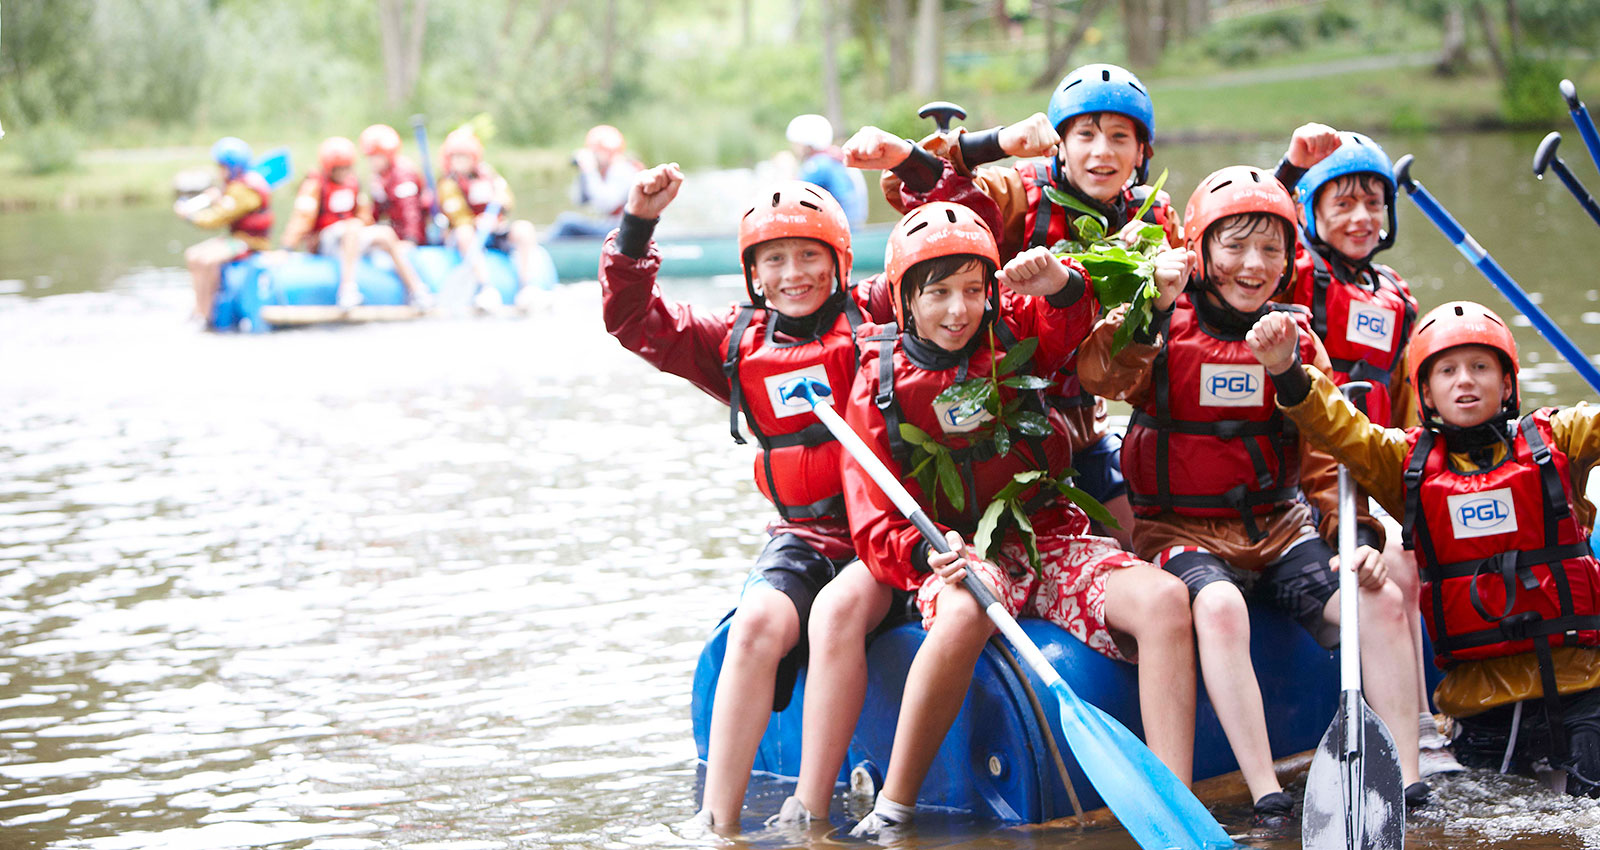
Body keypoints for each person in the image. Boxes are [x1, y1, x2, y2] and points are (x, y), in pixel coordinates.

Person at [1079, 165, 1426, 832]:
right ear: (1201, 251)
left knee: (1377, 596)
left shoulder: (1296, 336)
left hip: (1279, 525)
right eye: (1234, 245)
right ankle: (1267, 790)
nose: (1253, 264)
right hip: (1180, 528)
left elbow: (1325, 454)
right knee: (1218, 603)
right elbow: (1100, 373)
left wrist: (1351, 537)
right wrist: (1149, 310)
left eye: (1271, 249)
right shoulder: (1161, 319)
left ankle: (1407, 778)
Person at [839, 202, 1197, 836]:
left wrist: (1057, 279)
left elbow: (1072, 316)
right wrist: (927, 557)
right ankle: (894, 804)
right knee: (966, 607)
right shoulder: (877, 382)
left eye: (974, 290)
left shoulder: (1013, 335)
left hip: (1047, 538)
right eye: (939, 293)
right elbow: (871, 522)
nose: (959, 310)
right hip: (954, 552)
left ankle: (1174, 807)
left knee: (1166, 599)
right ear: (903, 301)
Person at [602, 167, 884, 831]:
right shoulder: (735, 342)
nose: (794, 274)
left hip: (883, 535)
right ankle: (715, 822)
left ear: (840, 261)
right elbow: (632, 318)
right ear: (754, 273)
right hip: (806, 535)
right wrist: (637, 226)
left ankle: (808, 812)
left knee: (835, 616)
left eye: (810, 255)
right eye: (775, 259)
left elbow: (945, 279)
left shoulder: (879, 314)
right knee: (756, 622)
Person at [1249, 299, 1600, 796]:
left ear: (1507, 384)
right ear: (1427, 395)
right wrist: (1285, 368)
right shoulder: (1405, 463)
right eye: (1448, 371)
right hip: (1481, 707)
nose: (1465, 380)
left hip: (1581, 690)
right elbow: (1337, 428)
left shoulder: (1557, 438)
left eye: (1481, 367)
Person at [844, 62, 1180, 550]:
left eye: (1119, 137)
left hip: (1082, 421)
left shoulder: (1155, 220)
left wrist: (1149, 279)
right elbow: (921, 193)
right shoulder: (1021, 191)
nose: (1102, 152)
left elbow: (1130, 367)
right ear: (1059, 145)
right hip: (1002, 410)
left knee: (1134, 540)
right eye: (1085, 134)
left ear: (1142, 152)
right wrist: (998, 142)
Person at [1276, 126, 1464, 776]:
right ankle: (1419, 734)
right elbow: (1250, 231)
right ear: (1310, 212)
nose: (1361, 218)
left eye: (1373, 204)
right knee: (1400, 568)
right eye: (1342, 205)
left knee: (1417, 551)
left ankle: (1442, 717)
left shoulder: (1397, 296)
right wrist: (1287, 168)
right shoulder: (1294, 275)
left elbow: (1412, 408)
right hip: (1313, 481)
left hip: (1378, 470)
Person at [281, 136, 431, 309]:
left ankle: (417, 290)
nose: (344, 172)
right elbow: (302, 217)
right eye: (339, 169)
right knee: (352, 227)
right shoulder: (314, 185)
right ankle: (347, 290)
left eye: (347, 168)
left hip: (350, 237)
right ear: (329, 168)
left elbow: (363, 214)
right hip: (324, 240)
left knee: (385, 233)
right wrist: (287, 248)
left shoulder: (353, 183)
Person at [436, 127, 541, 308]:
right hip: (468, 233)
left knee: (524, 229)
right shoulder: (448, 184)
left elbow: (507, 199)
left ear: (473, 157)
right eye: (455, 157)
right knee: (464, 232)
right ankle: (486, 288)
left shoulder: (488, 174)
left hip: (493, 227)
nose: (459, 161)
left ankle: (527, 287)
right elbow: (457, 216)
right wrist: (477, 222)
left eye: (463, 156)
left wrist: (500, 205)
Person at [176, 136, 273, 326]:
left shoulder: (243, 190)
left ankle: (207, 312)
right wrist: (218, 198)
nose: (219, 172)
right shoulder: (238, 186)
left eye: (222, 167)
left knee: (207, 260)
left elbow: (218, 218)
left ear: (234, 167)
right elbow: (230, 208)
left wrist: (190, 216)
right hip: (236, 239)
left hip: (251, 243)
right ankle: (198, 308)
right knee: (193, 255)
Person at [547, 124, 643, 239]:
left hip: (624, 230)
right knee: (567, 222)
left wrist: (590, 171)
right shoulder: (602, 171)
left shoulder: (623, 170)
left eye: (596, 151)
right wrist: (583, 173)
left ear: (609, 151)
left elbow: (606, 204)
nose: (594, 155)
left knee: (566, 223)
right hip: (611, 226)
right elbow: (578, 201)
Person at [786, 114, 868, 229]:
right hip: (853, 226)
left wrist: (788, 168)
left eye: (796, 143)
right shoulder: (834, 158)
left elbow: (789, 196)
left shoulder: (818, 165)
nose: (794, 148)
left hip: (840, 228)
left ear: (807, 144)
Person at [359, 123, 434, 247]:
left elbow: (411, 211)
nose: (371, 162)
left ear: (387, 155)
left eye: (376, 157)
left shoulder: (403, 175)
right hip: (391, 235)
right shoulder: (378, 178)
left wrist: (411, 240)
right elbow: (376, 211)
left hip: (411, 237)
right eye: (369, 157)